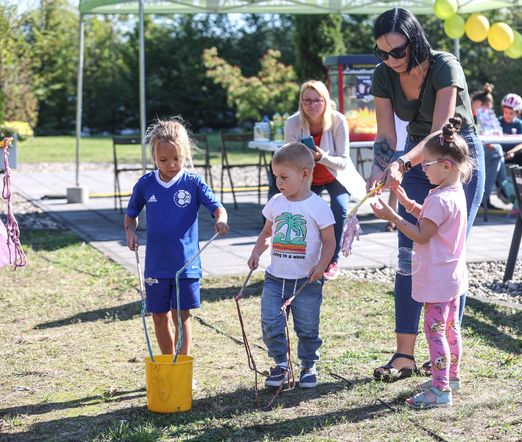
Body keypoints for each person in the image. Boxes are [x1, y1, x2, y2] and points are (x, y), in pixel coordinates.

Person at [367, 7, 485, 381]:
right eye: (382, 53)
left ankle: (446, 359)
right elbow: (386, 137)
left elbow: (439, 135)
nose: (391, 60)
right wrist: (379, 177)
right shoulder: (383, 76)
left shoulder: (445, 66)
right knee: (409, 254)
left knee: (446, 254)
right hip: (414, 156)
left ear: (414, 40)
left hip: (455, 155)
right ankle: (405, 356)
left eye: (397, 51)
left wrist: (401, 164)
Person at [371, 117, 470, 408]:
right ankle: (451, 377)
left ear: (446, 165)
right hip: (452, 277)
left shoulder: (440, 198)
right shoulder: (451, 192)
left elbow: (422, 233)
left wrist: (392, 217)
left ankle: (440, 391)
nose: (422, 169)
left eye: (426, 164)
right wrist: (404, 200)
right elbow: (428, 216)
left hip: (437, 280)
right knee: (451, 328)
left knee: (435, 332)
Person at [125, 117, 230, 358]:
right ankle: (167, 365)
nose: (171, 164)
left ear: (185, 154)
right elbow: (130, 217)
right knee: (159, 316)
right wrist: (130, 233)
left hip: (186, 266)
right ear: (154, 156)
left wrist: (220, 219)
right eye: (163, 160)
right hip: (156, 265)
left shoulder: (193, 182)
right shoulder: (145, 184)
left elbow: (218, 208)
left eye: (177, 159)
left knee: (181, 316)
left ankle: (182, 368)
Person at [248, 142, 336, 389]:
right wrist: (256, 251)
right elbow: (266, 232)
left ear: (304, 174)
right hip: (276, 278)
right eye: (276, 176)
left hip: (306, 282)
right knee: (270, 321)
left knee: (307, 327)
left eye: (284, 177)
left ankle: (308, 364)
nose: (279, 182)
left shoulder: (318, 206)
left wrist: (322, 265)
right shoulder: (276, 202)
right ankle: (281, 364)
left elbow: (330, 242)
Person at [285, 80, 366, 280]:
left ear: (326, 101)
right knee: (302, 213)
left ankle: (332, 260)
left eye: (317, 100)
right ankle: (303, 259)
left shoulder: (338, 121)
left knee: (339, 209)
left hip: (335, 176)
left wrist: (322, 157)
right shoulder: (293, 122)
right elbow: (288, 158)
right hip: (307, 177)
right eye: (307, 101)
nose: (312, 105)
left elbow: (344, 161)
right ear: (301, 102)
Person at [471, 84, 512, 208]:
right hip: (468, 151)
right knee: (496, 153)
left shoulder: (477, 116)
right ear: (478, 104)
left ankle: (491, 195)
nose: (488, 112)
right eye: (487, 108)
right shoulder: (469, 115)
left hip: (478, 148)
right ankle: (502, 189)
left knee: (497, 151)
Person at [499, 93, 522, 167]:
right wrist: (501, 152)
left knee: (521, 157)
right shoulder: (498, 122)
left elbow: (521, 144)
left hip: (513, 153)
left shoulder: (519, 124)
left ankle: (520, 177)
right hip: (499, 152)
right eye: (505, 112)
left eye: (511, 113)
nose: (507, 115)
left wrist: (512, 152)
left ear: (517, 113)